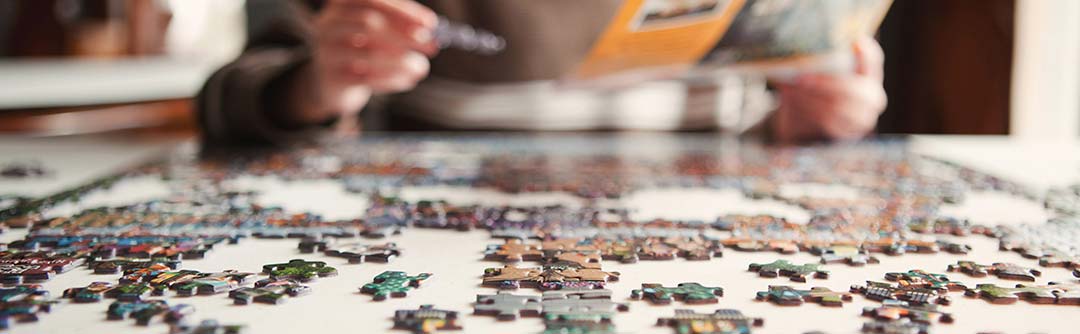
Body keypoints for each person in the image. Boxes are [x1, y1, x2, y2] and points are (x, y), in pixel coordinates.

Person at [198, 0, 886, 145]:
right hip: (433, 253)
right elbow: (227, 96)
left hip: (700, 260)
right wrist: (323, 81)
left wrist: (806, 122)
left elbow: (766, 129)